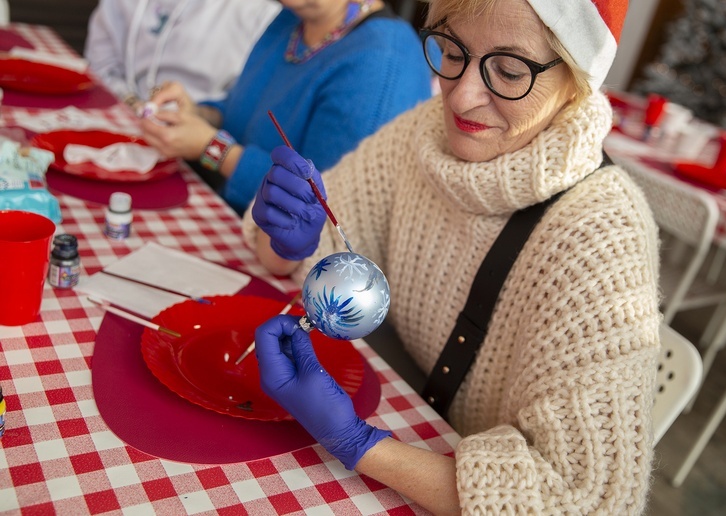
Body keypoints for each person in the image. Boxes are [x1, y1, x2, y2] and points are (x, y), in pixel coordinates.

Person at [245, 0, 662, 513]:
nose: (462, 97)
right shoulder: (423, 134)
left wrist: (358, 443)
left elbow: (590, 500)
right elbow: (284, 257)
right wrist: (291, 238)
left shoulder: (600, 236)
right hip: (409, 413)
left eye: (510, 71)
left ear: (576, 82)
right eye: (451, 50)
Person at [139, 0, 433, 214]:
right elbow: (246, 111)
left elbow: (324, 203)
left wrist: (212, 148)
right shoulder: (290, 20)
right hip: (232, 220)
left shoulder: (381, 61)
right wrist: (199, 114)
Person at [84, 0, 281, 107]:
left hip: (199, 147)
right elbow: (101, 67)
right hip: (119, 112)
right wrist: (131, 102)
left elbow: (241, 108)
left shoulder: (263, 15)